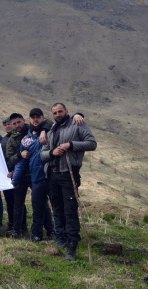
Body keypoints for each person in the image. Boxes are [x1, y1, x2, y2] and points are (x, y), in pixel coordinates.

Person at [40, 103, 97, 261]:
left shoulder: (77, 123)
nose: (58, 115)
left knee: (70, 210)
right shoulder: (52, 130)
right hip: (52, 175)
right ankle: (63, 239)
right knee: (57, 209)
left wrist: (71, 145)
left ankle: (73, 245)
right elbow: (42, 154)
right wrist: (53, 152)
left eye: (60, 111)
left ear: (66, 111)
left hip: (69, 174)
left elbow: (92, 143)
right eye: (55, 113)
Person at [11, 109, 55, 242]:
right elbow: (20, 162)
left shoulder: (50, 132)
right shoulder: (24, 139)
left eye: (38, 117)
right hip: (34, 177)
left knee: (54, 208)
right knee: (37, 207)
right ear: (29, 120)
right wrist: (16, 179)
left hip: (52, 175)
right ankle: (36, 234)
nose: (35, 120)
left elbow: (51, 122)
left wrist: (44, 131)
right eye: (33, 117)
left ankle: (56, 233)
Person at [0, 116, 20, 235]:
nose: (7, 126)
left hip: (17, 173)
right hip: (6, 175)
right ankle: (11, 224)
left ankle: (20, 225)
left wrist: (15, 170)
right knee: (9, 201)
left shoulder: (20, 136)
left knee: (18, 201)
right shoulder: (3, 140)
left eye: (9, 124)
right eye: (5, 124)